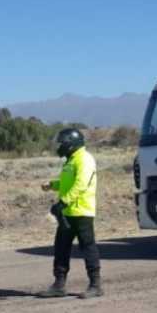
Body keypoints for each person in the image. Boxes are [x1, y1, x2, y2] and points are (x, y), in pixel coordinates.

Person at [38, 128, 102, 298]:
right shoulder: (71, 160)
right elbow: (69, 182)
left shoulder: (85, 159)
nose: (60, 146)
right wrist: (52, 185)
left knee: (88, 247)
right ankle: (59, 285)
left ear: (71, 144)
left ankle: (96, 285)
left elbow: (81, 184)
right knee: (61, 248)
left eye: (62, 142)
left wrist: (63, 201)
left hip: (82, 211)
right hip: (67, 212)